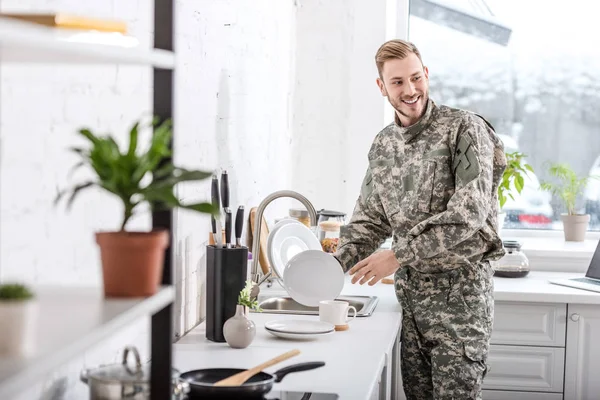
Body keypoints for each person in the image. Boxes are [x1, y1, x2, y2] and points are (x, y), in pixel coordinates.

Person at [333, 39, 507, 400]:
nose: (410, 90)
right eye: (397, 82)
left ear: (426, 74)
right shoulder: (383, 145)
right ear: (382, 87)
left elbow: (468, 214)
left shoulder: (464, 129)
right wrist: (330, 267)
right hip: (411, 304)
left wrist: (396, 256)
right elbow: (370, 220)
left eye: (416, 78)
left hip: (460, 303)